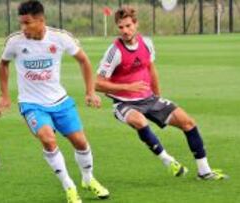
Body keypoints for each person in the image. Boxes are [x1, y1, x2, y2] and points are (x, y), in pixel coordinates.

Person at [0, 1, 109, 202]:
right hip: (31, 104)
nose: (23, 28)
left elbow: (84, 60)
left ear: (41, 20)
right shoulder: (15, 42)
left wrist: (90, 91)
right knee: (48, 139)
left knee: (81, 143)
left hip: (60, 100)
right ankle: (69, 187)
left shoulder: (60, 38)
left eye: (27, 23)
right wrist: (4, 95)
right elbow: (3, 64)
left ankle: (88, 179)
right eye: (21, 23)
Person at [95, 6, 228, 180]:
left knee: (188, 122)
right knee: (140, 121)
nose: (125, 31)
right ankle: (168, 161)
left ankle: (204, 171)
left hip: (149, 98)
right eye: (121, 27)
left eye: (128, 26)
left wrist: (157, 95)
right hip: (124, 103)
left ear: (136, 24)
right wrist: (127, 88)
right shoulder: (114, 52)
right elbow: (97, 84)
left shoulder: (147, 43)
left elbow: (151, 69)